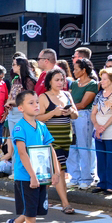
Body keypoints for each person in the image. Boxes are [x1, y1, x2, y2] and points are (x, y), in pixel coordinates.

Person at [6, 90, 61, 223]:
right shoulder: (19, 127)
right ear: (21, 108)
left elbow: (50, 149)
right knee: (30, 210)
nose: (36, 105)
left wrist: (56, 171)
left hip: (41, 174)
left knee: (35, 208)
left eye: (37, 102)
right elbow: (22, 153)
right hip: (26, 176)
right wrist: (32, 175)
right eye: (31, 103)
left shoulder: (42, 126)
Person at [37, 68, 77, 213]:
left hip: (66, 138)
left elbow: (76, 115)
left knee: (53, 171)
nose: (60, 82)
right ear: (50, 82)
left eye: (62, 80)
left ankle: (39, 198)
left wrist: (70, 111)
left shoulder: (67, 94)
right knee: (59, 169)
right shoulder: (43, 97)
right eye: (57, 80)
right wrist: (53, 113)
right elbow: (38, 117)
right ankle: (65, 204)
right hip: (51, 139)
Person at [67, 58, 99, 189]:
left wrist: (69, 108)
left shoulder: (92, 84)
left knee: (84, 146)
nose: (74, 72)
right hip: (71, 115)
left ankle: (86, 178)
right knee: (72, 146)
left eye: (76, 69)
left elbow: (84, 104)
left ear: (84, 70)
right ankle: (75, 177)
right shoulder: (74, 84)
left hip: (84, 115)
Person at [91, 68, 112, 195]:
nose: (102, 81)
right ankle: (102, 182)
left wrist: (104, 126)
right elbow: (93, 112)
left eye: (105, 79)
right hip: (98, 130)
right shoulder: (99, 94)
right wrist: (97, 126)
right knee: (101, 157)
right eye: (101, 79)